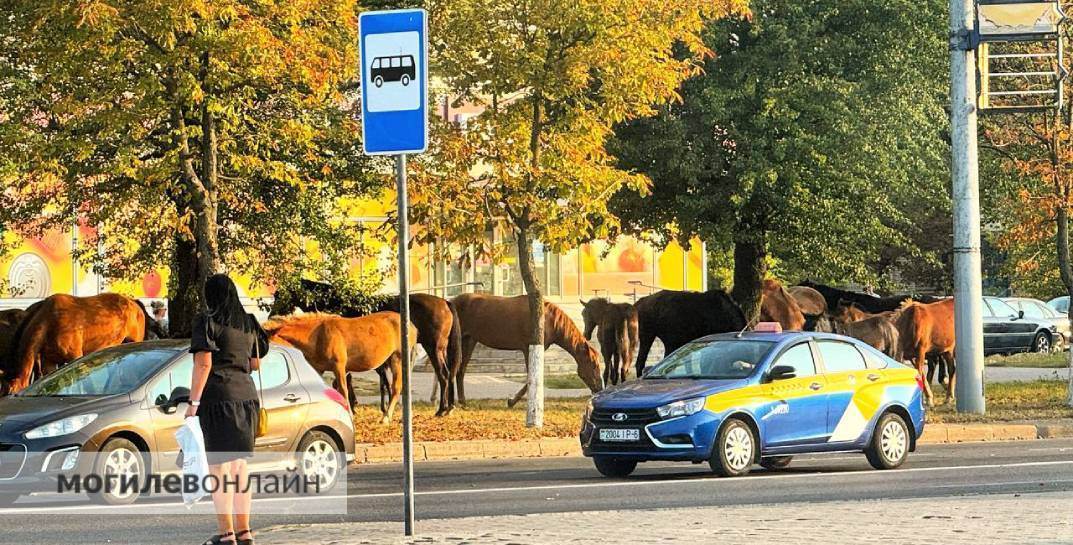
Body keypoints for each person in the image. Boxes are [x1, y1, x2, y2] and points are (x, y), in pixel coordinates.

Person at [187, 274, 268, 545]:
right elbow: (255, 363)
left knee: (218, 468)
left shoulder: (207, 321)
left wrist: (192, 403)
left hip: (217, 399)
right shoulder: (248, 323)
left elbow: (203, 365)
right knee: (239, 466)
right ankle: (245, 531)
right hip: (247, 398)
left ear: (210, 296)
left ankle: (227, 534)